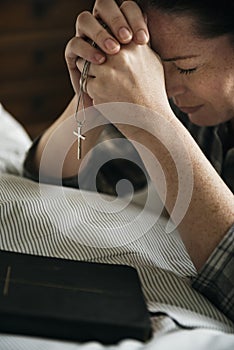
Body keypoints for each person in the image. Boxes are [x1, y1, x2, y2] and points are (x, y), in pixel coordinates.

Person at [23, 0, 234, 323]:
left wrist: (154, 122)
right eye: (156, 67)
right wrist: (91, 92)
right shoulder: (194, 106)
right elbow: (58, 177)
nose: (168, 90)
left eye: (187, 67)